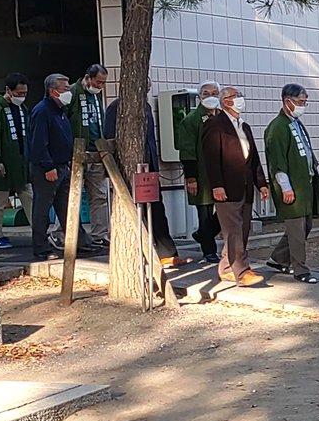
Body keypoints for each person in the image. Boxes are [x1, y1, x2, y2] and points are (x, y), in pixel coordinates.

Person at [104, 79, 187, 267]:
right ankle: (138, 255)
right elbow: (109, 137)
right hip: (129, 168)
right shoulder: (115, 108)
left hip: (149, 166)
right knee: (134, 211)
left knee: (157, 209)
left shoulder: (146, 107)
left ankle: (167, 252)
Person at [201, 86, 268, 287]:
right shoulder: (215, 125)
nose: (239, 99)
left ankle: (227, 268)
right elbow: (211, 158)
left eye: (239, 96)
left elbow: (253, 158)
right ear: (225, 101)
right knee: (233, 230)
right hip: (226, 186)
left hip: (245, 185)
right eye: (235, 96)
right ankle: (242, 270)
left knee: (243, 228)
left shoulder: (244, 126)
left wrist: (261, 183)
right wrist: (217, 185)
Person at [28, 73, 98, 261]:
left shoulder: (60, 111)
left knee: (68, 206)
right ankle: (41, 247)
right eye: (65, 89)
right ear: (53, 91)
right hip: (48, 167)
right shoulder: (42, 111)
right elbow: (38, 142)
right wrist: (47, 166)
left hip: (63, 166)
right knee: (42, 209)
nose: (68, 92)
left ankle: (79, 242)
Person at [264, 83, 319, 284]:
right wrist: (285, 187)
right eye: (300, 102)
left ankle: (278, 258)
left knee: (305, 225)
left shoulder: (295, 123)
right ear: (287, 101)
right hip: (291, 186)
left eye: (305, 102)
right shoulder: (277, 127)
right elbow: (277, 162)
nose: (303, 106)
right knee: (297, 229)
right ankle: (300, 270)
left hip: (304, 183)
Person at [0, 73, 34, 250]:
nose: (22, 96)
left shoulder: (22, 108)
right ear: (8, 90)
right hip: (3, 161)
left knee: (29, 196)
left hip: (21, 161)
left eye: (24, 93)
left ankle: (39, 232)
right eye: (19, 93)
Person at [178, 81, 223, 263]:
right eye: (206, 93)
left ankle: (203, 234)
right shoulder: (191, 120)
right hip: (202, 173)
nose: (211, 96)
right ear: (199, 96)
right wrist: (191, 177)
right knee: (204, 211)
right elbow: (187, 150)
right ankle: (209, 251)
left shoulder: (223, 117)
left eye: (215, 93)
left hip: (223, 172)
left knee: (227, 209)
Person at [66, 63, 111, 245]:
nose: (100, 86)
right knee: (72, 195)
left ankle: (100, 234)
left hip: (96, 151)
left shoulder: (96, 97)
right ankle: (62, 233)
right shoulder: (72, 92)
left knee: (99, 196)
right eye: (98, 82)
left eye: (103, 83)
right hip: (77, 152)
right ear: (88, 78)